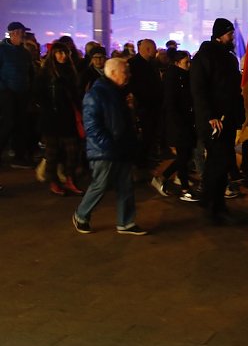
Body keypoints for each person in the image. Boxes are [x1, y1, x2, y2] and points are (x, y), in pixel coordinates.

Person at [72, 58, 147, 235]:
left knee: (125, 185)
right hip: (105, 150)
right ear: (113, 73)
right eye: (125, 72)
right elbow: (92, 126)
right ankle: (81, 215)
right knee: (101, 184)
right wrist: (108, 145)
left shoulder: (117, 92)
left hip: (120, 147)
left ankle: (126, 222)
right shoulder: (97, 94)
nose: (128, 75)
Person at [190, 18, 245, 224]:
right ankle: (215, 207)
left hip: (227, 120)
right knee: (218, 163)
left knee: (220, 163)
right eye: (229, 34)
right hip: (214, 123)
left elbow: (233, 90)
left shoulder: (229, 58)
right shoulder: (204, 57)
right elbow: (199, 90)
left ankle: (211, 201)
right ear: (219, 35)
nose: (232, 38)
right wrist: (210, 116)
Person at [34, 42, 84, 196]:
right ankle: (54, 181)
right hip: (52, 119)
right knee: (52, 153)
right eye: (59, 53)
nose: (63, 56)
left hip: (68, 118)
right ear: (53, 54)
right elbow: (38, 95)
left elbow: (76, 96)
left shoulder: (71, 72)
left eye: (65, 53)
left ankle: (70, 179)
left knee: (72, 151)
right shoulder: (45, 74)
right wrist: (48, 109)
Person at [151, 51, 198, 201]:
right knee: (183, 156)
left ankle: (163, 178)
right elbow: (172, 104)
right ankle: (184, 189)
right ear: (177, 63)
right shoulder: (173, 78)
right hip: (178, 124)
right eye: (186, 62)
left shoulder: (184, 76)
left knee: (186, 155)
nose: (189, 65)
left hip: (185, 122)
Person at [0, 21, 35, 168]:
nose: (24, 35)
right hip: (7, 93)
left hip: (23, 93)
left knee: (22, 125)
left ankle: (19, 157)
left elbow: (30, 72)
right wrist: (4, 89)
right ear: (13, 33)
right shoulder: (2, 50)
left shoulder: (25, 52)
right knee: (8, 124)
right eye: (22, 32)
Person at [127, 38, 163, 169]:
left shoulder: (151, 63)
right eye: (154, 49)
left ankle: (145, 160)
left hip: (152, 107)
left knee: (150, 136)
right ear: (148, 50)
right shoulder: (133, 64)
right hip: (142, 108)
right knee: (144, 137)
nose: (156, 51)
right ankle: (140, 163)